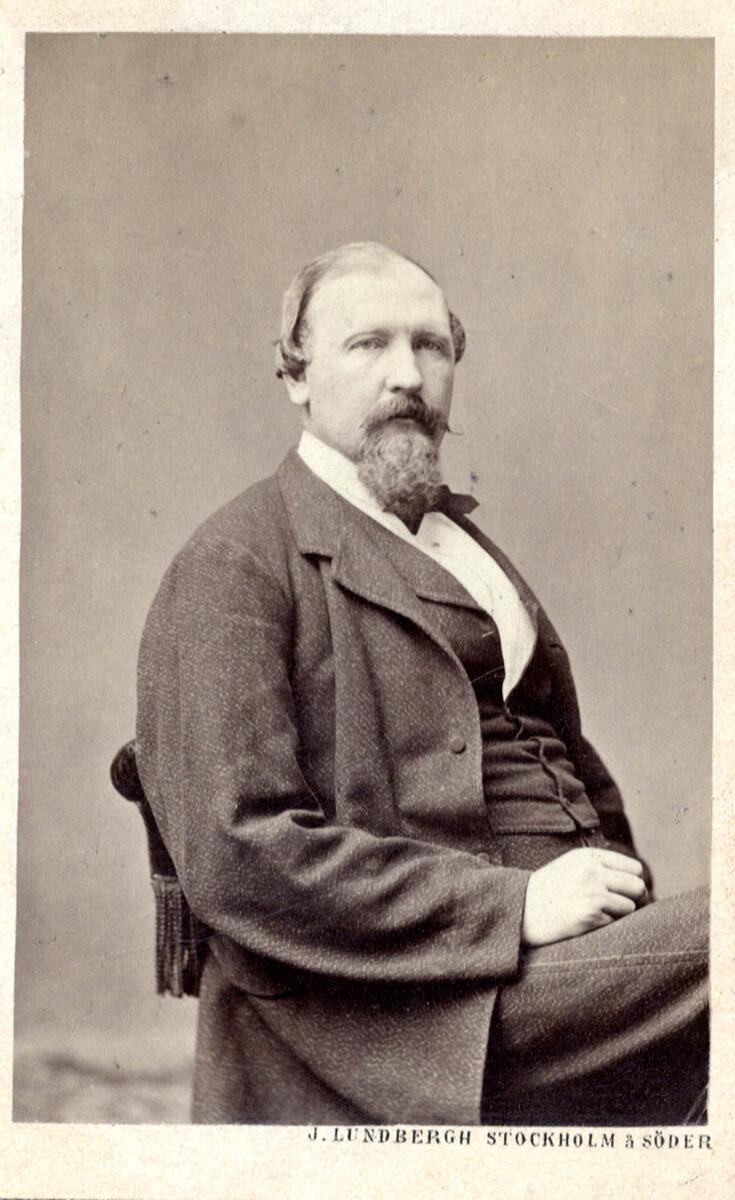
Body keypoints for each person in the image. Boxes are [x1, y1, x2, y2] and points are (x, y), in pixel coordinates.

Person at [136, 241, 708, 1126]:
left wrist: (629, 905)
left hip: (567, 963)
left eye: (430, 345)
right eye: (368, 344)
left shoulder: (456, 544)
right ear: (295, 374)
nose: (407, 375)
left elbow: (557, 754)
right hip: (419, 1008)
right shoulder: (235, 563)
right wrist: (514, 905)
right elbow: (238, 854)